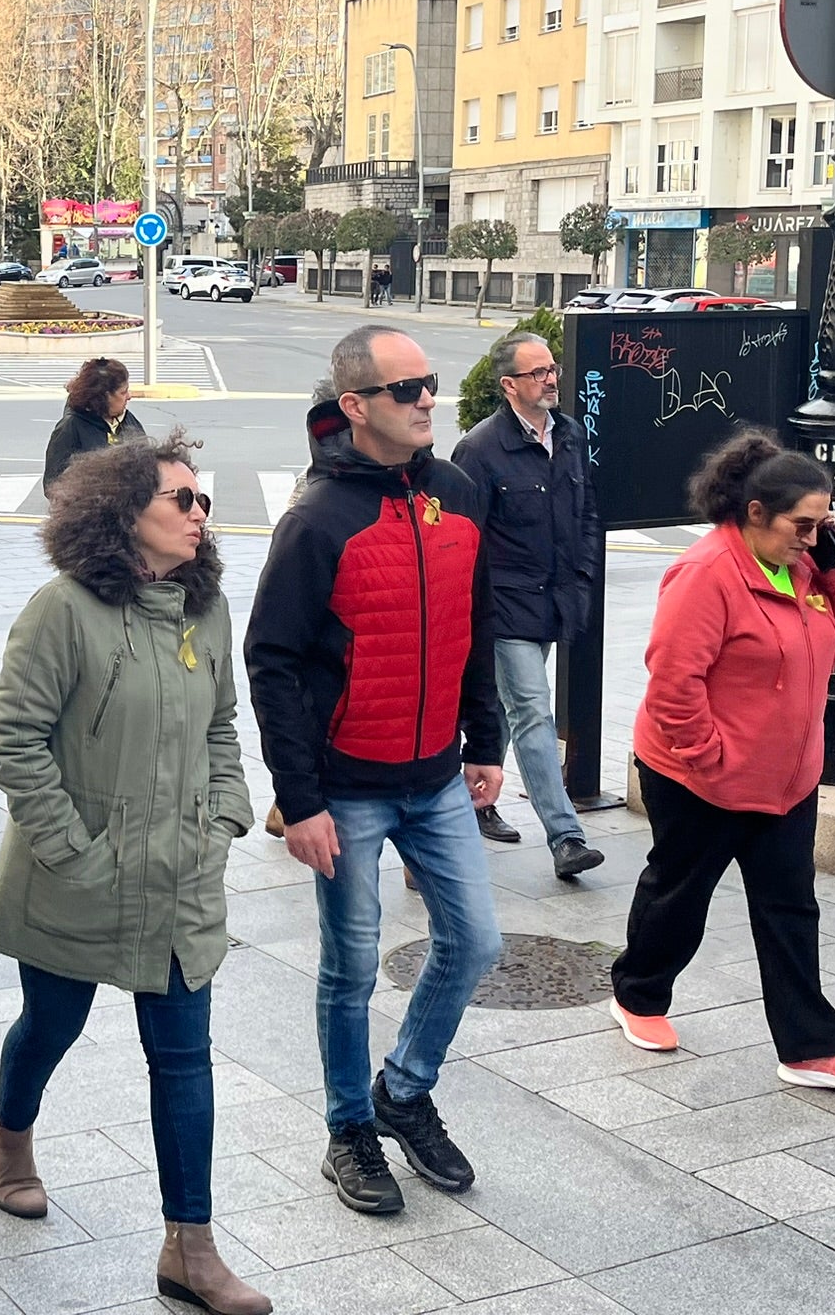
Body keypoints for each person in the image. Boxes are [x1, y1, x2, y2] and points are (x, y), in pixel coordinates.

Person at [0, 435, 268, 1315]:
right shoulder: (61, 610)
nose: (199, 513)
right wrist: (75, 850)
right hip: (81, 878)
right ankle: (9, 1134)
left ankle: (192, 1248)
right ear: (122, 515)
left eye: (201, 499)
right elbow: (14, 740)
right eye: (180, 499)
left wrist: (223, 814)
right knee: (50, 1026)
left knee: (184, 1059)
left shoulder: (204, 608)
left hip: (180, 878)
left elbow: (222, 725)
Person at [244, 325, 506, 1215]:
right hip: (345, 790)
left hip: (435, 777)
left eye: (430, 383)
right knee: (350, 970)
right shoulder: (319, 519)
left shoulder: (461, 495)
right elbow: (270, 659)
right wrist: (299, 801)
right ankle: (350, 1128)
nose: (427, 399)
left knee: (475, 943)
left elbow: (472, 631)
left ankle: (404, 1088)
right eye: (406, 390)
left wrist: (485, 742)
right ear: (355, 407)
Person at [610, 431, 835, 1092]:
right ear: (756, 512)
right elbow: (673, 681)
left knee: (790, 907)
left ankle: (812, 1048)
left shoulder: (802, 566)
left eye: (822, 524)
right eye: (804, 524)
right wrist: (710, 757)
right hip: (700, 777)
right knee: (680, 894)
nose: (811, 535)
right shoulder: (707, 574)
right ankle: (638, 993)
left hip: (787, 778)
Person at [449, 331, 608, 876]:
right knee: (534, 712)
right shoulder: (479, 449)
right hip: (506, 606)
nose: (551, 379)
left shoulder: (569, 435)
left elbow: (587, 513)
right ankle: (566, 837)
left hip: (557, 599)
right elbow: (464, 538)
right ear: (509, 385)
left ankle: (468, 802)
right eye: (538, 372)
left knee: (503, 709)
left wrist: (583, 577)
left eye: (553, 369)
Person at [43, 358, 147, 494]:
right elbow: (53, 485)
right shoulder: (70, 428)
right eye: (123, 392)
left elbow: (148, 466)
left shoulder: (128, 420)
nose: (129, 396)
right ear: (104, 397)